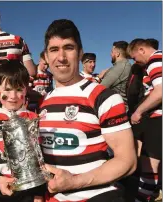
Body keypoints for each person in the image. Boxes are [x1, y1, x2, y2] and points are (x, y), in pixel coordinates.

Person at [38, 19, 136, 202]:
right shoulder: (44, 101)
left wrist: (74, 182)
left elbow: (127, 161)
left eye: (68, 47)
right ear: (46, 56)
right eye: (54, 49)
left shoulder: (104, 98)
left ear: (80, 53)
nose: (61, 57)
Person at [0, 60, 45, 202]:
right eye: (7, 89)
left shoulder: (34, 119)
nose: (13, 96)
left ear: (26, 89)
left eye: (19, 89)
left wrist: (38, 193)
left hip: (27, 191)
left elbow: (40, 157)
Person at [127, 38, 162, 202]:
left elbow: (160, 91)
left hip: (158, 119)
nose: (136, 62)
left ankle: (142, 198)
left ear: (141, 50)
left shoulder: (155, 60)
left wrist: (138, 112)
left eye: (134, 57)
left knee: (149, 164)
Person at [98, 41, 132, 110]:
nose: (110, 54)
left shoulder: (119, 68)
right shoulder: (124, 65)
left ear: (117, 54)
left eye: (112, 52)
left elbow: (100, 89)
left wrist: (98, 78)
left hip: (118, 110)